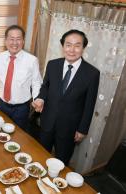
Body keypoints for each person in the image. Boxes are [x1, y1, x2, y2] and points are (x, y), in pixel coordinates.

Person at [32, 29, 100, 165]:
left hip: (69, 128)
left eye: (77, 45)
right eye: (68, 45)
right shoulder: (53, 64)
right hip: (47, 121)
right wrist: (40, 98)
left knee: (61, 162)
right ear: (63, 46)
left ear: (83, 48)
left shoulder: (92, 73)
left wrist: (82, 129)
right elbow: (45, 86)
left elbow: (89, 104)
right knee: (39, 156)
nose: (72, 50)